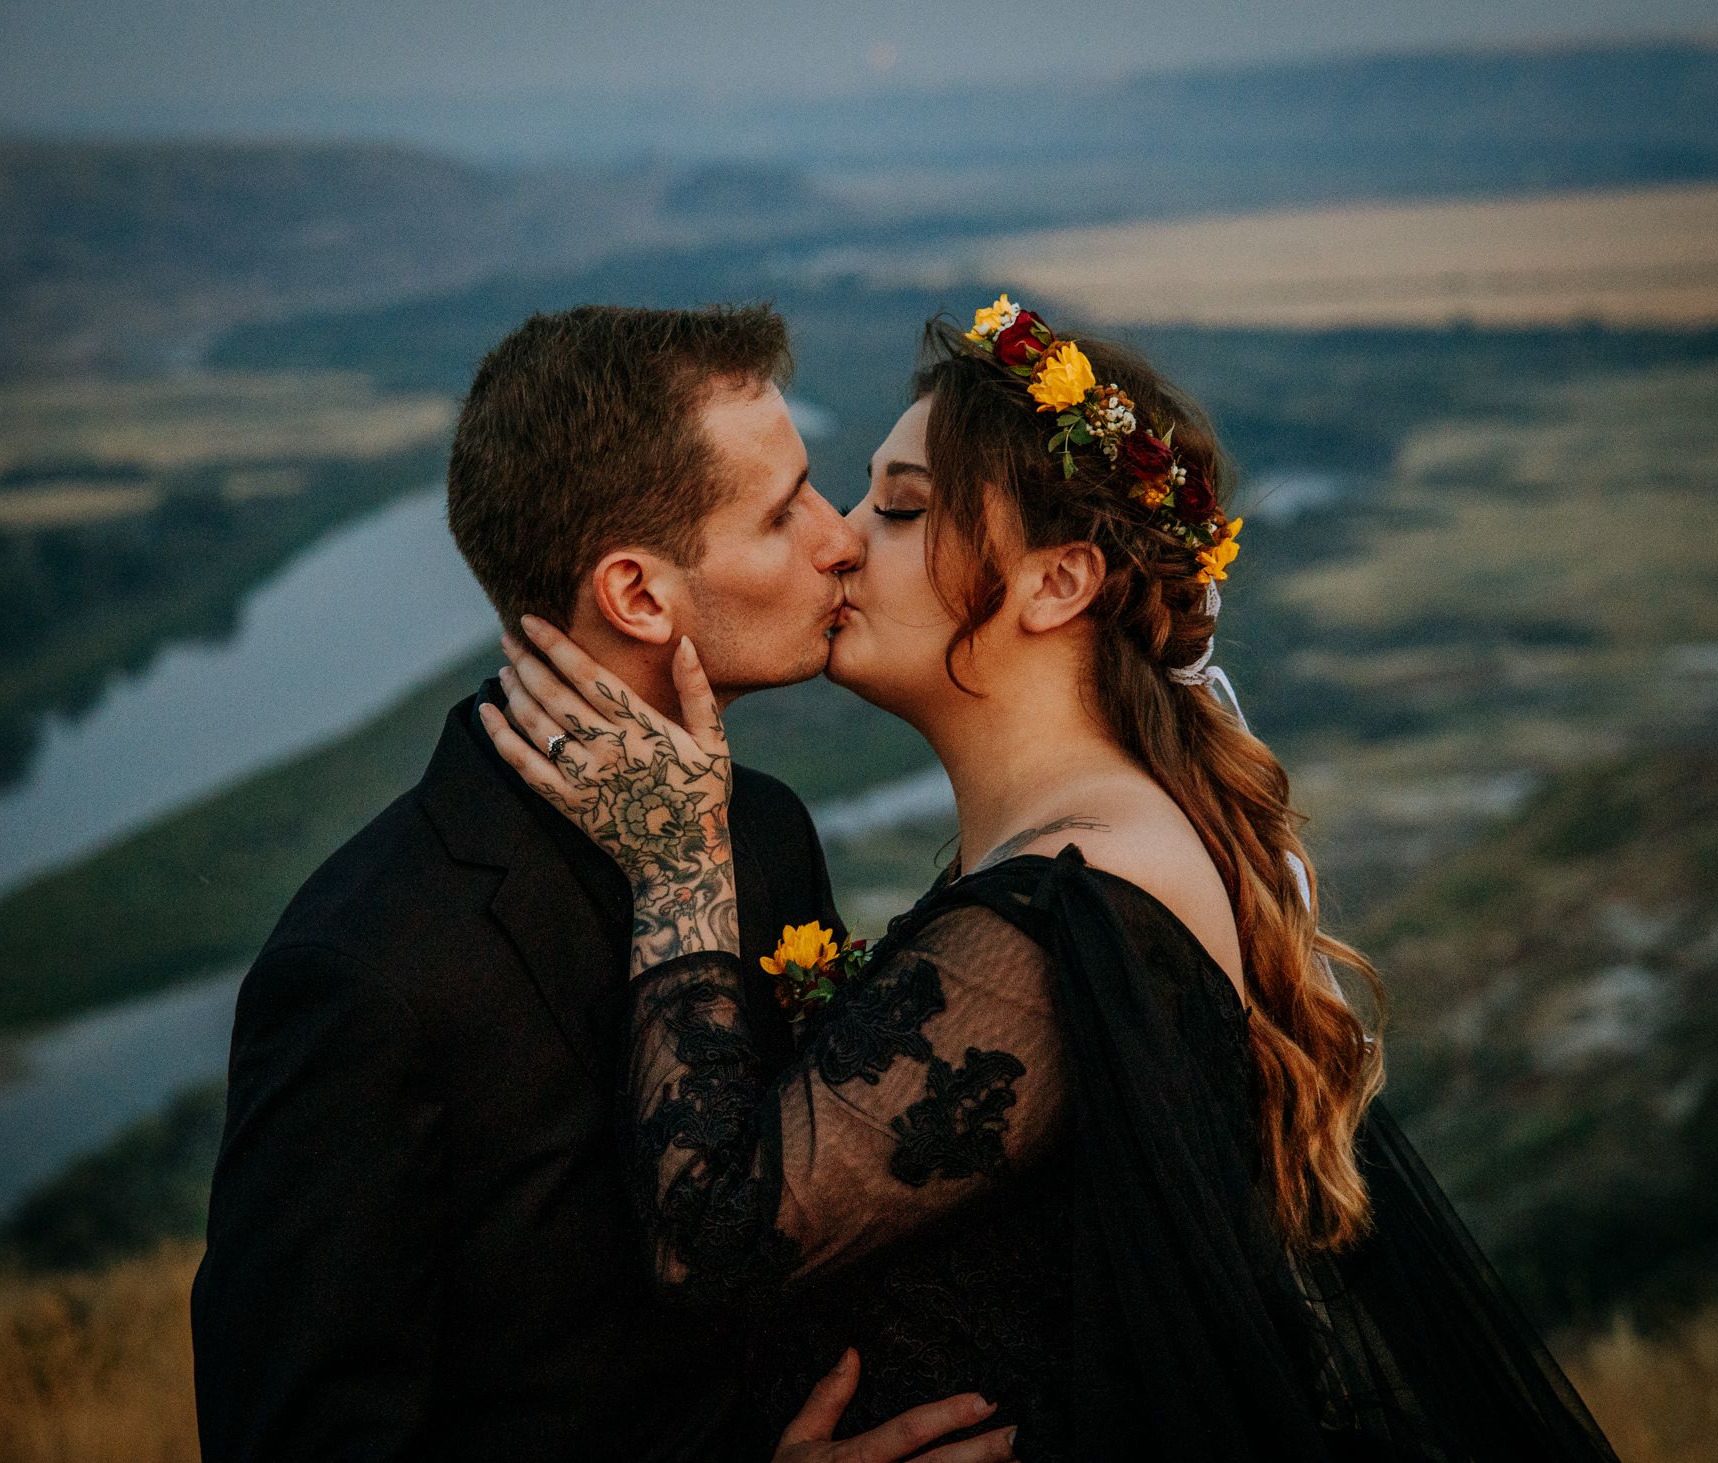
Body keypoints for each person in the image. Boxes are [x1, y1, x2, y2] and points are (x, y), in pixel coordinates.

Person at [483, 298, 1625, 1460]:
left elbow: (711, 1237)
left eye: (899, 506)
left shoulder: (1061, 907)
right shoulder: (1084, 851)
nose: (840, 540)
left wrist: (679, 874)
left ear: (1055, 583)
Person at [191, 304, 1013, 1463]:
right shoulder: (367, 967)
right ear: (637, 596)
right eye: (783, 513)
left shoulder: (762, 829)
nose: (839, 540)